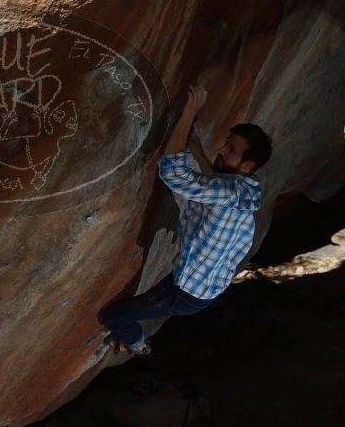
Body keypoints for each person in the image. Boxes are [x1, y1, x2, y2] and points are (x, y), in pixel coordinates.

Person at [102, 84, 273, 355]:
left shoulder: (229, 194)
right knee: (135, 308)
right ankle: (124, 336)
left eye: (230, 150)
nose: (221, 150)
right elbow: (215, 181)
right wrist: (196, 148)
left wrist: (188, 112)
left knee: (114, 316)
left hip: (187, 294)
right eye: (226, 144)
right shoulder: (244, 187)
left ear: (247, 166)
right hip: (194, 281)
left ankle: (138, 344)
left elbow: (173, 174)